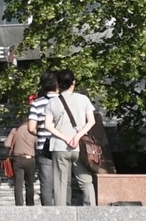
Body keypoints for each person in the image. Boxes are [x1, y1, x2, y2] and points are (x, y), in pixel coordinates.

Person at [44, 68, 98, 206]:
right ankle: (91, 210)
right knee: (86, 181)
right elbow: (91, 121)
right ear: (73, 82)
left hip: (59, 146)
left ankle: (61, 213)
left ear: (58, 84)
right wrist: (77, 136)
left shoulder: (52, 102)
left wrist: (65, 138)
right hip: (80, 146)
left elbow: (48, 126)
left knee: (60, 184)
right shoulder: (83, 99)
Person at [27, 71, 62, 206]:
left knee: (46, 183)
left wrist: (41, 132)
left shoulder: (37, 103)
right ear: (57, 85)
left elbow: (31, 128)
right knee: (64, 181)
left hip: (44, 146)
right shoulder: (64, 101)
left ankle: (48, 212)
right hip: (63, 145)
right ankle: (65, 209)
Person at [4, 106, 39, 205]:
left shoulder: (15, 130)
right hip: (30, 159)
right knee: (30, 184)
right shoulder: (33, 132)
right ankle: (30, 204)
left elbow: (7, 144)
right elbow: (37, 146)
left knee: (18, 185)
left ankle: (19, 205)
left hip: (18, 160)